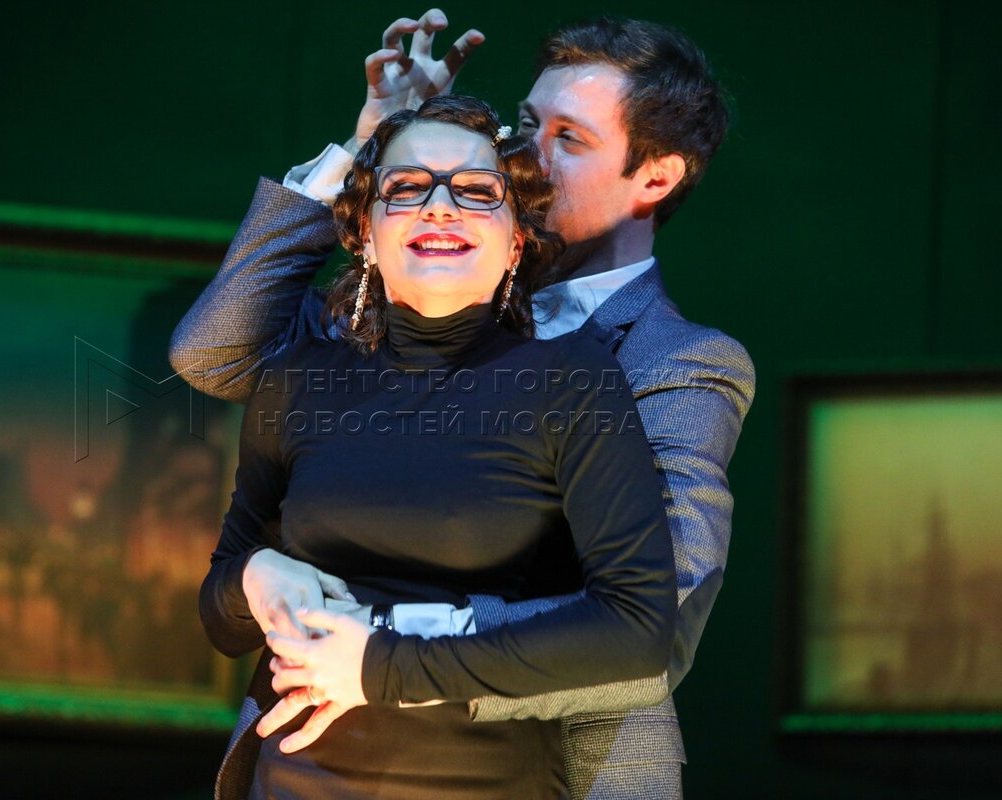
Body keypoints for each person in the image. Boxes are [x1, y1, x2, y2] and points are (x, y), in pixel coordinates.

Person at [174, 11, 755, 799]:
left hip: (533, 771)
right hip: (312, 761)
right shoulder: (393, 305)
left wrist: (382, 642)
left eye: (569, 139)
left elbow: (656, 627)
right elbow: (212, 354)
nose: (528, 155)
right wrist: (374, 143)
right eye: (526, 125)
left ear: (655, 178)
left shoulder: (677, 362)